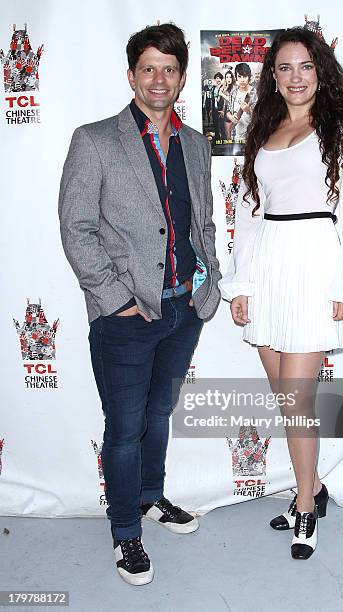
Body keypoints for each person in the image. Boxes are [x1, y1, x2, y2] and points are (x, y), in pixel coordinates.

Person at [58, 23, 221, 585]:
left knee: (157, 415)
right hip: (125, 319)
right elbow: (76, 228)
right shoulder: (95, 140)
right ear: (132, 76)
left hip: (183, 309)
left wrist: (209, 283)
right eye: (148, 68)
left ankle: (152, 497)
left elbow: (201, 220)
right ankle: (126, 530)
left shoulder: (195, 143)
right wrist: (113, 298)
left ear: (181, 78)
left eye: (170, 69)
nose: (159, 79)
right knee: (124, 427)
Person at [219, 27, 343, 560]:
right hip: (268, 265)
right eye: (284, 68)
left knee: (297, 399)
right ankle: (314, 487)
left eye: (305, 66)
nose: (295, 77)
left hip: (313, 264)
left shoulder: (341, 130)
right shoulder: (261, 128)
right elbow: (247, 214)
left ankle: (306, 503)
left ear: (321, 70)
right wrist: (240, 284)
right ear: (273, 76)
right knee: (287, 404)